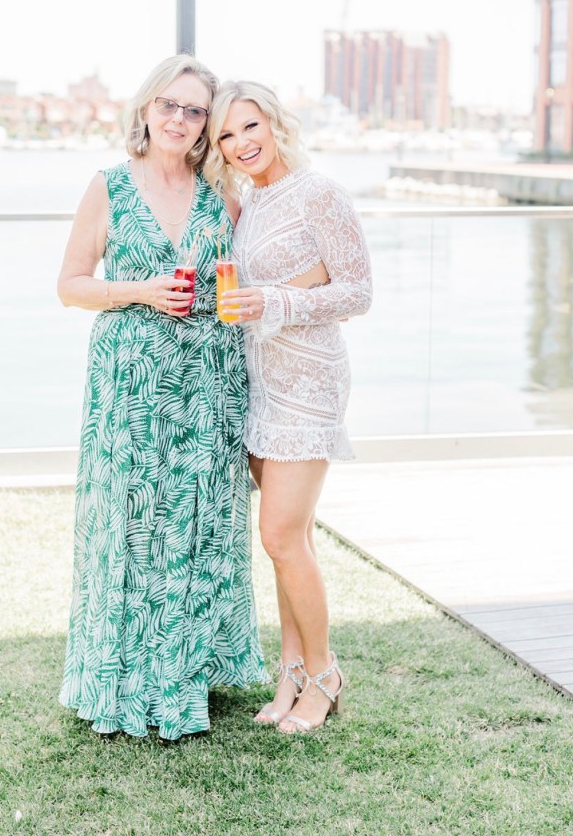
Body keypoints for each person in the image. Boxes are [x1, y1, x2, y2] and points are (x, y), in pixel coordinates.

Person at [57, 55, 266, 741]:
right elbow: (71, 285)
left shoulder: (223, 197)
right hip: (131, 382)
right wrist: (139, 291)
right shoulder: (109, 187)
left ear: (207, 123)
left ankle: (186, 670)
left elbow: (247, 276)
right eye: (168, 105)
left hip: (208, 380)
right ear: (146, 109)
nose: (179, 118)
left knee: (197, 523)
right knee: (131, 522)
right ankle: (122, 676)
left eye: (195, 109)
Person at [205, 80, 372, 734]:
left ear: (275, 124)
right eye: (225, 135)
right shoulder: (248, 203)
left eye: (250, 126)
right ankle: (291, 673)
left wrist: (277, 300)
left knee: (277, 534)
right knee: (288, 542)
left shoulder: (319, 192)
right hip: (261, 380)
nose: (241, 143)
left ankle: (325, 674)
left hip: (309, 381)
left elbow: (357, 291)